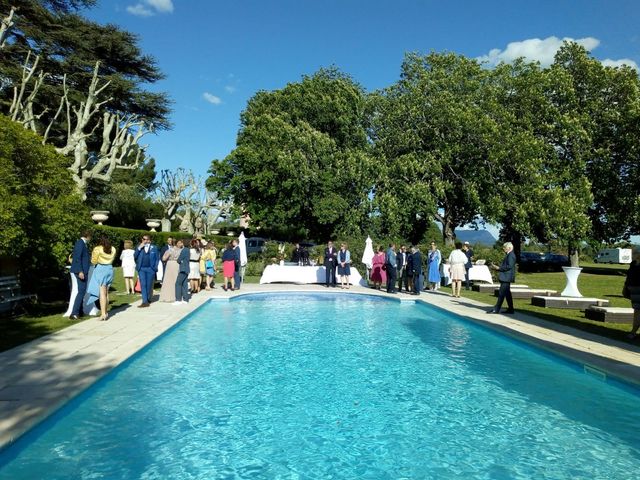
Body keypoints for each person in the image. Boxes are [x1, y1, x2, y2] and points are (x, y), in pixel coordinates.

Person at [87, 236, 116, 321]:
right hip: (110, 269)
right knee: (106, 292)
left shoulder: (97, 249)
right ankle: (105, 312)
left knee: (102, 293)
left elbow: (93, 261)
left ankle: (103, 314)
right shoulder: (113, 248)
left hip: (101, 269)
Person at [488, 242, 517, 314]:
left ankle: (496, 309)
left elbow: (509, 266)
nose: (503, 249)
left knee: (501, 293)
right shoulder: (509, 255)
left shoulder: (511, 255)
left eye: (505, 247)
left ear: (509, 248)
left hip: (507, 277)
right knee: (507, 294)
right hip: (506, 277)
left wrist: (499, 268)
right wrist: (497, 268)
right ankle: (511, 309)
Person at [69, 229, 92, 320]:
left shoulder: (83, 243)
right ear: (87, 236)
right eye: (90, 236)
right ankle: (74, 313)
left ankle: (79, 311)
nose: (90, 238)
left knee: (82, 291)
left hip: (83, 270)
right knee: (81, 291)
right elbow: (77, 258)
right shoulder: (80, 243)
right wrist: (80, 271)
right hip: (80, 271)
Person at [134, 234, 159, 308]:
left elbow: (157, 258)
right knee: (143, 284)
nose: (144, 241)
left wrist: (154, 267)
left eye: (146, 239)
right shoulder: (139, 247)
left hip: (150, 269)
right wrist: (139, 248)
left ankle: (148, 298)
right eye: (143, 239)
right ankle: (144, 301)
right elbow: (135, 256)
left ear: (149, 240)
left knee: (149, 285)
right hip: (141, 269)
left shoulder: (154, 248)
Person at [624, 248, 640, 339]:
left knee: (637, 312)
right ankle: (633, 331)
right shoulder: (633, 264)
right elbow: (628, 277)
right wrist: (625, 287)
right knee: (637, 311)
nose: (632, 254)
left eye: (634, 253)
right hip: (633, 291)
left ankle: (633, 332)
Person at [174, 239, 190, 304]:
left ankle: (178, 299)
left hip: (183, 269)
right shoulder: (188, 250)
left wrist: (179, 260)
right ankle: (185, 299)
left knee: (178, 283)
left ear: (183, 243)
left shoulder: (184, 250)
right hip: (186, 269)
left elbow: (178, 260)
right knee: (184, 284)